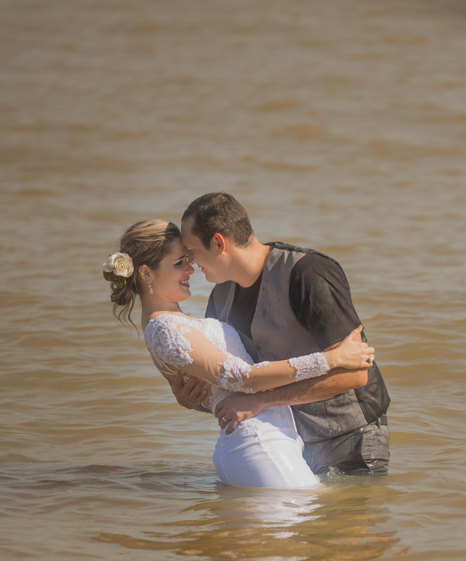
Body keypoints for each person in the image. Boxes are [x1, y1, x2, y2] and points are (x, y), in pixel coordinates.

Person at [103, 219, 375, 489]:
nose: (190, 269)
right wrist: (332, 359)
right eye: (178, 263)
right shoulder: (166, 328)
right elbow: (244, 377)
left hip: (262, 440)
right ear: (146, 274)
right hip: (258, 443)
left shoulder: (174, 324)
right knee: (304, 516)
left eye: (188, 259)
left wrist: (196, 402)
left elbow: (221, 391)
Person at [175, 193, 391, 476]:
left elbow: (355, 375)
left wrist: (259, 401)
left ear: (218, 243)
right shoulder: (219, 297)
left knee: (343, 518)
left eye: (190, 251)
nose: (189, 263)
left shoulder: (308, 274)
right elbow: (238, 391)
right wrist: (195, 400)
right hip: (285, 442)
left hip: (350, 437)